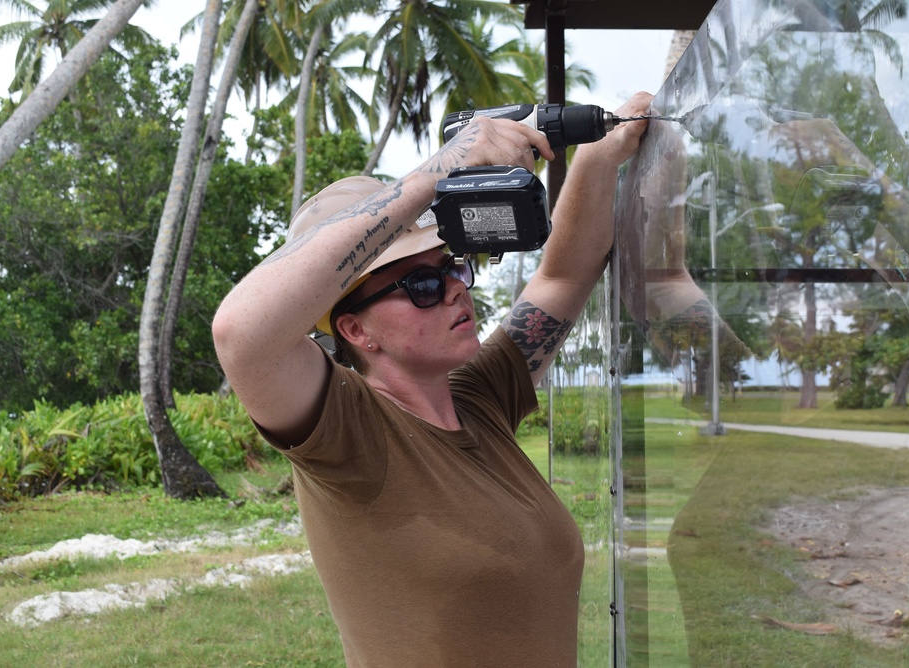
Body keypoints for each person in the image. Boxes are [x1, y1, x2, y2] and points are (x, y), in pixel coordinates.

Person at [212, 91, 652, 666]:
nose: (453, 289)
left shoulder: (479, 397)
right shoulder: (348, 432)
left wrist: (598, 156)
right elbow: (242, 334)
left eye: (451, 267)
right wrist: (440, 169)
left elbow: (564, 274)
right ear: (355, 331)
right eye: (420, 286)